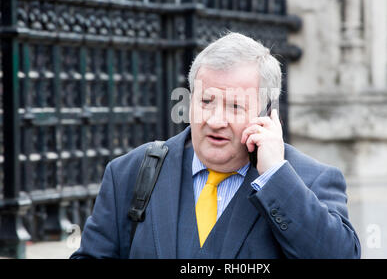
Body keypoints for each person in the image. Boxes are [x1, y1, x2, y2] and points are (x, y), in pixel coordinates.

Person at [70, 32, 361, 259]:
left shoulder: (309, 180)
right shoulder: (129, 174)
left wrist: (275, 177)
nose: (215, 120)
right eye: (206, 101)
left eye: (235, 106)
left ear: (266, 114)